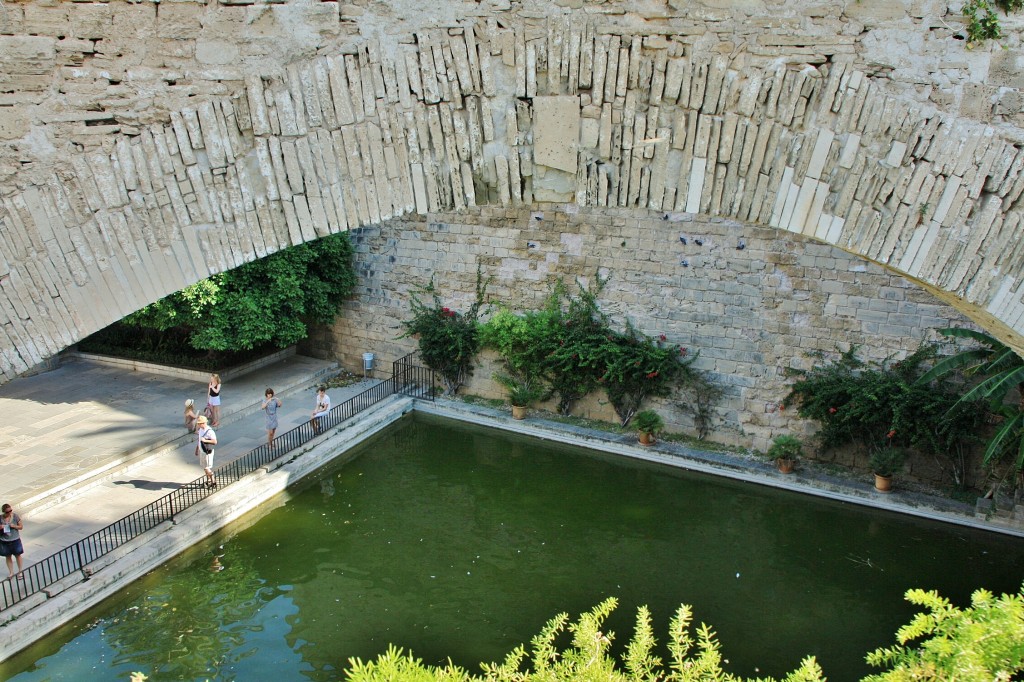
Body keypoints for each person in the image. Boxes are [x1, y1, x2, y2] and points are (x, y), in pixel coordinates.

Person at [1, 503, 25, 579]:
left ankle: (20, 571)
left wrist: (14, 526)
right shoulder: (0, 518)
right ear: (4, 512)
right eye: (7, 512)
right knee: (8, 557)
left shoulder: (15, 516)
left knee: (18, 555)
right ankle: (11, 572)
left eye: (10, 511)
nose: (9, 513)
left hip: (15, 540)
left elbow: (21, 527)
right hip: (4, 541)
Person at [194, 415, 218, 488]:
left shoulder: (210, 431)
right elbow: (199, 440)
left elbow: (215, 442)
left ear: (203, 423)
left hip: (207, 452)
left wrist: (205, 440)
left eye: (199, 423)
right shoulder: (201, 430)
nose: (198, 425)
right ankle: (209, 481)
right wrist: (197, 449)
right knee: (204, 467)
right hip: (202, 450)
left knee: (207, 467)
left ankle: (213, 480)